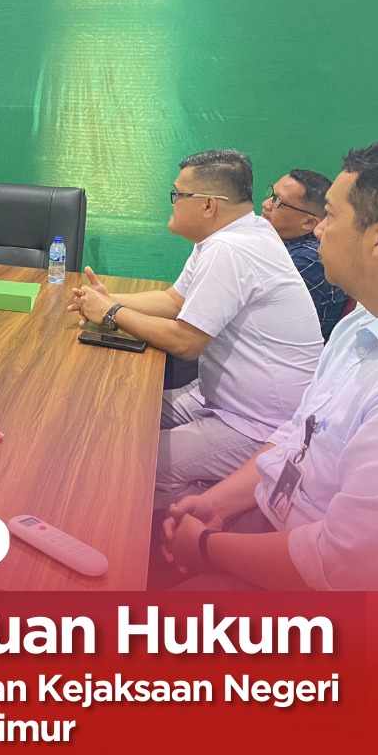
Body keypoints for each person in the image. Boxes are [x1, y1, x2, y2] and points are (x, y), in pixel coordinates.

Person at [160, 140, 378, 591]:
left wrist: (205, 546)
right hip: (271, 516)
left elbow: (341, 568)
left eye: (330, 217)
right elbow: (296, 436)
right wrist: (215, 505)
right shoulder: (360, 323)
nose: (318, 232)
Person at [68, 149, 323, 505]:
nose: (172, 202)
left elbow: (186, 342)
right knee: (116, 411)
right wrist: (108, 299)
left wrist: (110, 311)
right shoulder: (239, 232)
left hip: (261, 426)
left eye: (178, 194)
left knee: (129, 458)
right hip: (219, 399)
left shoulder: (230, 248)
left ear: (208, 205)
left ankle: (199, 510)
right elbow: (174, 301)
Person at [261, 169, 348, 340]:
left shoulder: (309, 260)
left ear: (309, 222)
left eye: (278, 201)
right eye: (271, 194)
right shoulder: (281, 245)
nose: (266, 203)